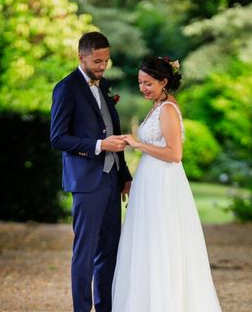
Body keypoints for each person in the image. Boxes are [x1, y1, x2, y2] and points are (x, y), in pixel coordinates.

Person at [112, 56, 222, 312]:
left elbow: (175, 154)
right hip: (150, 181)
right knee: (147, 243)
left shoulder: (168, 109)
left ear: (164, 81)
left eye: (148, 83)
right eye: (140, 82)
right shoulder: (157, 106)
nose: (143, 88)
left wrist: (137, 144)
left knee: (162, 242)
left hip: (163, 185)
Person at [50, 31, 133, 312]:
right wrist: (98, 145)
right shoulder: (66, 88)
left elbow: (113, 130)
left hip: (111, 181)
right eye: (97, 61)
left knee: (109, 252)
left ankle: (106, 308)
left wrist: (124, 175)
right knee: (84, 254)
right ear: (80, 56)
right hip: (87, 182)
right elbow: (58, 138)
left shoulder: (104, 85)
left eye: (106, 61)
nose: (102, 66)